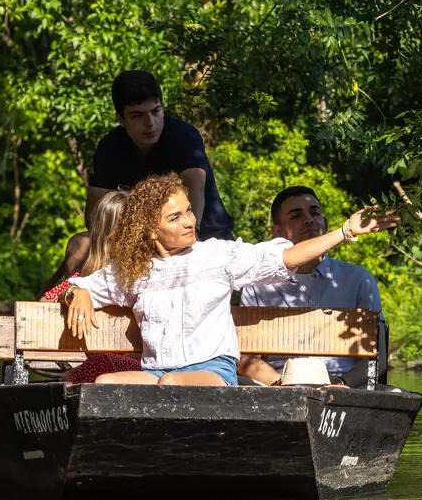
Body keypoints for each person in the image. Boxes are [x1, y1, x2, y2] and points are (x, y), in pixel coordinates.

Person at [61, 173, 397, 386]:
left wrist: (345, 231)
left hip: (212, 371)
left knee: (172, 386)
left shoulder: (217, 256)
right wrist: (78, 294)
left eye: (189, 211)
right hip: (157, 372)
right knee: (105, 383)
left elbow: (288, 256)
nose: (189, 221)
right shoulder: (134, 270)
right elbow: (78, 286)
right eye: (175, 217)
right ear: (151, 230)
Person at [238, 186, 382, 386]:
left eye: (315, 213)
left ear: (325, 223)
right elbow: (245, 359)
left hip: (346, 389)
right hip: (276, 388)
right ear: (277, 231)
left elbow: (377, 358)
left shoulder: (359, 280)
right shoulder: (258, 286)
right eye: (296, 216)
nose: (309, 219)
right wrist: (282, 384)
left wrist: (341, 384)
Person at [84, 70, 233, 246]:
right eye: (137, 115)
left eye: (156, 111)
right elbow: (95, 216)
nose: (150, 123)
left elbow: (195, 186)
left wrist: (194, 233)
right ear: (121, 119)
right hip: (144, 243)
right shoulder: (109, 147)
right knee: (78, 246)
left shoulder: (183, 135)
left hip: (207, 236)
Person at [41, 191, 141, 382]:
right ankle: (71, 380)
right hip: (105, 372)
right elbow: (42, 305)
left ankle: (69, 378)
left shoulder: (144, 274)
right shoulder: (88, 279)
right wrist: (74, 293)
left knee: (103, 364)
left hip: (142, 370)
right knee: (103, 364)